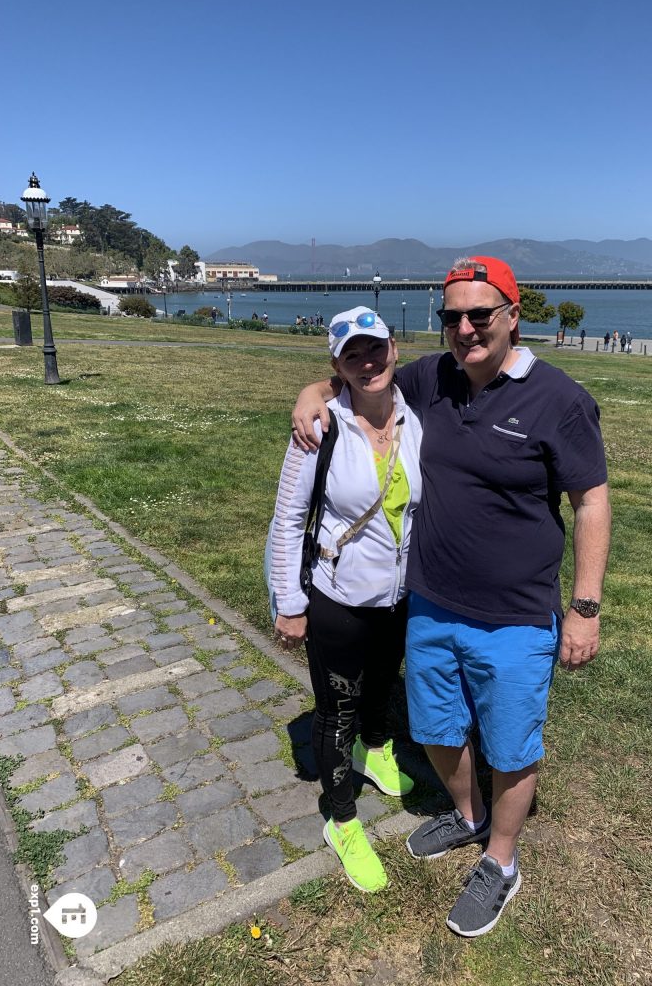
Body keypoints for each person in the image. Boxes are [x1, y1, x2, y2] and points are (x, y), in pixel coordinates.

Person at [292, 257, 611, 937]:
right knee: (436, 730)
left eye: (480, 315)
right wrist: (312, 391)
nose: (464, 329)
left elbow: (591, 501)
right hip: (431, 604)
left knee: (510, 746)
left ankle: (501, 859)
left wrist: (584, 607)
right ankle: (468, 816)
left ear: (513, 315)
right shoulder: (432, 378)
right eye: (452, 317)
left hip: (517, 615)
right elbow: (358, 375)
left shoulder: (560, 398)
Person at [269, 306, 423, 894]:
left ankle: (379, 748)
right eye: (351, 354)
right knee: (337, 709)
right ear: (336, 365)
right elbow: (288, 519)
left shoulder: (416, 416)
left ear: (394, 350)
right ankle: (341, 819)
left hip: (399, 592)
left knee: (385, 679)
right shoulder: (320, 429)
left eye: (375, 348)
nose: (367, 362)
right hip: (336, 594)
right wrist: (290, 600)